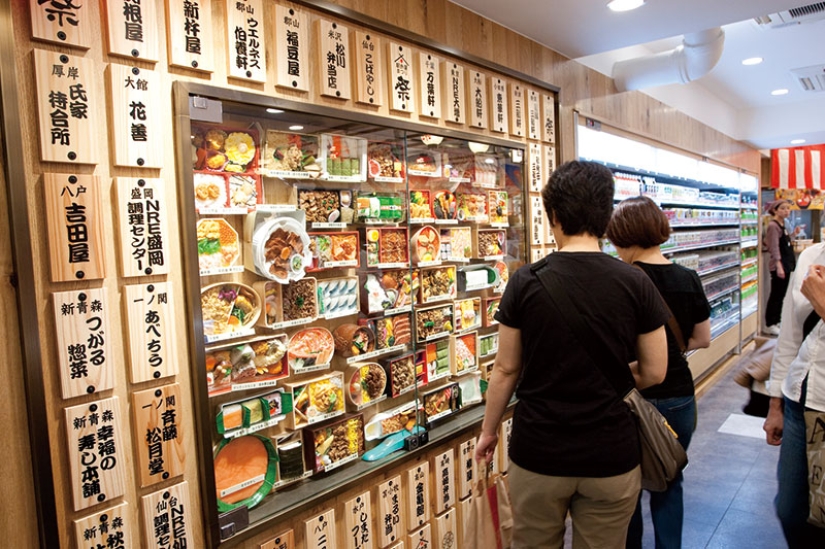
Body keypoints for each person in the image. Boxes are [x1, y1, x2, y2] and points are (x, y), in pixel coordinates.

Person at [474, 161, 670, 548]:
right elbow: (656, 371)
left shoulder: (524, 281)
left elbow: (506, 368)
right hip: (611, 453)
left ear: (554, 216)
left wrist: (488, 430)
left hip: (538, 451)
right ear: (606, 216)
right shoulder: (635, 282)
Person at [605, 196, 712, 549]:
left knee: (629, 485)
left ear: (623, 235)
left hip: (633, 398)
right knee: (670, 479)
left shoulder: (621, 280)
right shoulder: (688, 277)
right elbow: (702, 338)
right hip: (680, 398)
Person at [764, 241, 825, 548]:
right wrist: (775, 403)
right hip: (799, 403)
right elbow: (789, 336)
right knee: (790, 510)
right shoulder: (813, 256)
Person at [764, 199, 800, 335]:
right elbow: (773, 246)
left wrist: (793, 235)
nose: (787, 211)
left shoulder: (782, 224)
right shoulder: (773, 226)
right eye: (783, 208)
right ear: (775, 210)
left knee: (781, 295)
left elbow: (783, 241)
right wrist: (778, 265)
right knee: (776, 295)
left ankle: (777, 320)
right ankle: (770, 323)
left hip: (786, 264)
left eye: (788, 208)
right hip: (780, 265)